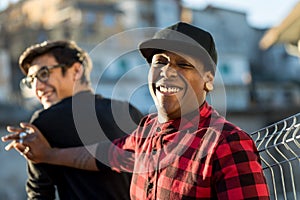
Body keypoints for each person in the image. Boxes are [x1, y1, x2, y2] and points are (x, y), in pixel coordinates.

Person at [2, 22, 270, 199]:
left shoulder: (227, 144)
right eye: (160, 61)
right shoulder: (146, 131)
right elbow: (103, 156)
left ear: (209, 79)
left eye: (184, 64)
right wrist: (48, 154)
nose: (167, 72)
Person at [4, 40, 143, 199]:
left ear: (76, 70)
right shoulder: (129, 111)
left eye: (44, 74)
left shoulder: (45, 122)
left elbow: (40, 193)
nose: (37, 88)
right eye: (31, 81)